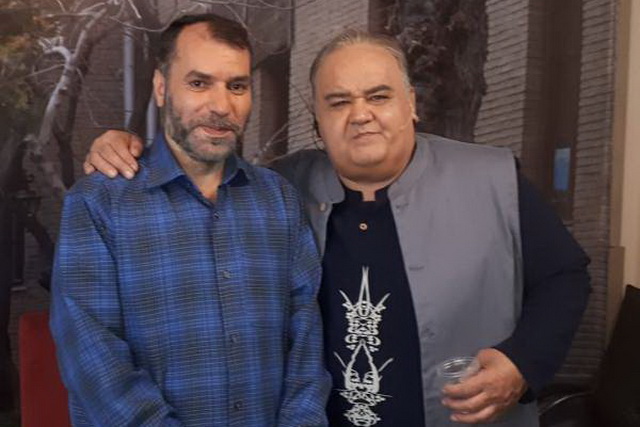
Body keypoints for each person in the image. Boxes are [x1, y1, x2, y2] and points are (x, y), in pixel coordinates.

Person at [84, 30, 591, 427]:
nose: (360, 115)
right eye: (339, 101)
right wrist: (126, 147)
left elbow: (565, 276)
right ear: (317, 120)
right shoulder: (278, 189)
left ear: (411, 103)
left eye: (378, 96)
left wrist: (521, 363)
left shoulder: (492, 178)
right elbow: (194, 173)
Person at [50, 13, 330, 427]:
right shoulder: (98, 203)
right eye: (199, 83)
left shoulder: (279, 199)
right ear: (162, 87)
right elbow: (95, 362)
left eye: (237, 86)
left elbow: (305, 340)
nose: (221, 106)